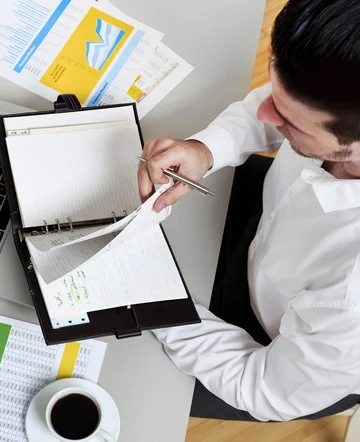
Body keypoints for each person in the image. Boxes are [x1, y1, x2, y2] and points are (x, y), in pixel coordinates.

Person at [138, 0, 360, 422]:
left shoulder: (352, 306)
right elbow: (284, 102)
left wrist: (152, 303)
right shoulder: (336, 98)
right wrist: (206, 149)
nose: (264, 112)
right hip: (267, 225)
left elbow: (259, 388)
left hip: (271, 349)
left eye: (287, 121)